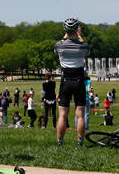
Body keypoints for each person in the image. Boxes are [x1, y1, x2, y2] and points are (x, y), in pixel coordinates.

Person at [54, 18, 90, 147]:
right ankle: (80, 142)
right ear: (77, 29)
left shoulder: (59, 45)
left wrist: (67, 34)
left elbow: (62, 41)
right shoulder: (83, 45)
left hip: (65, 81)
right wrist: (78, 35)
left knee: (63, 114)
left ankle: (60, 142)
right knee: (80, 114)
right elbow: (84, 46)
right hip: (79, 81)